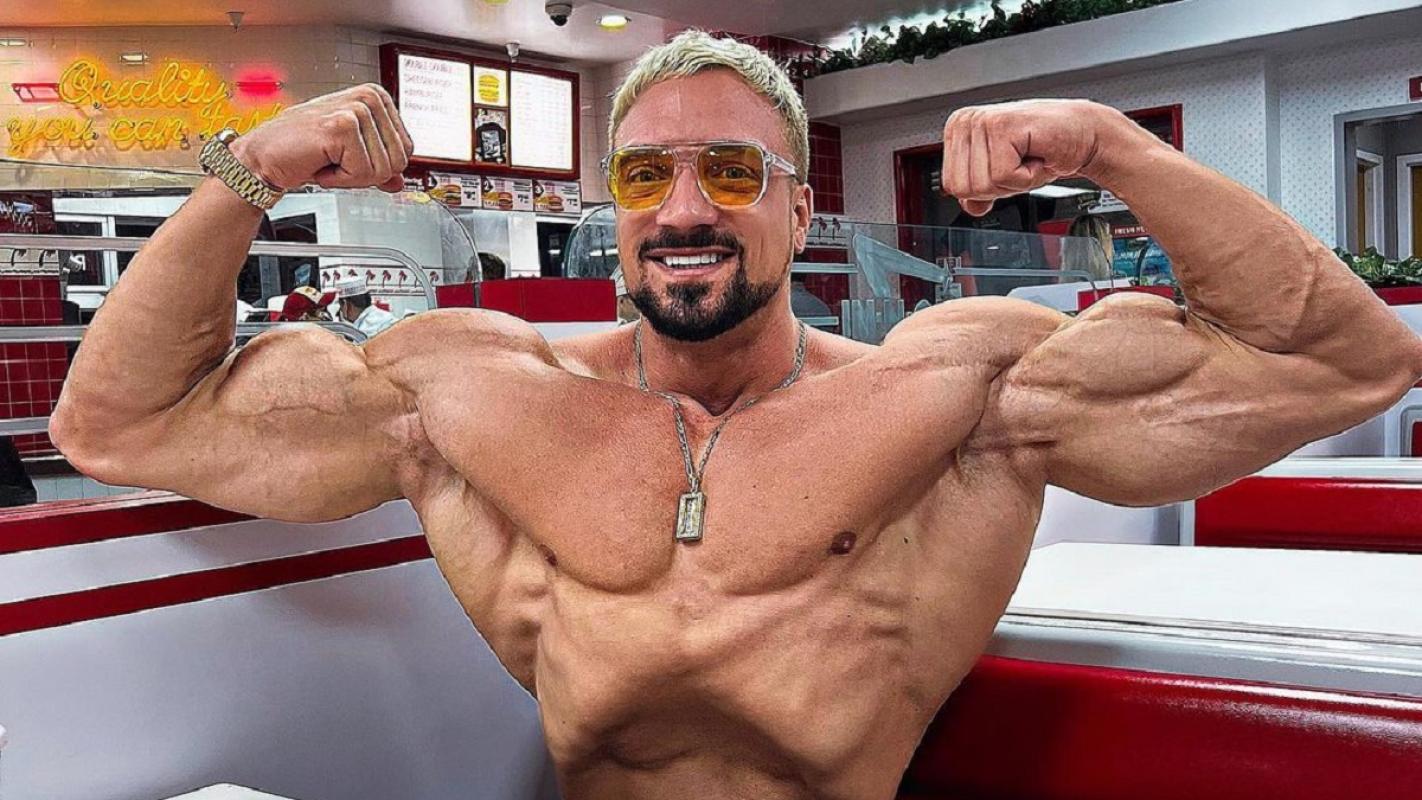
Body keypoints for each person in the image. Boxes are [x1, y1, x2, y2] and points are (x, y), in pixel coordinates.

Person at [51, 31, 1422, 800]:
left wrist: (1114, 147)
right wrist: (248, 170)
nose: (685, 209)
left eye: (730, 172)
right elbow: (117, 425)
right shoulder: (462, 390)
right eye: (645, 175)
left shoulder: (963, 392)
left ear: (801, 208)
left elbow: (1343, 365)